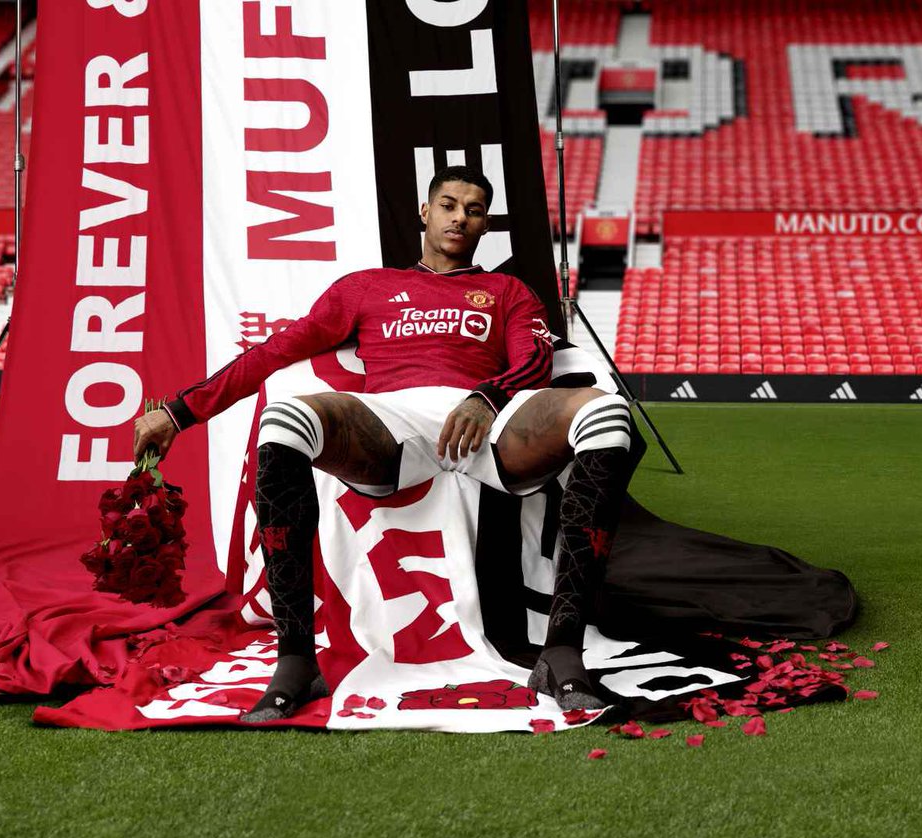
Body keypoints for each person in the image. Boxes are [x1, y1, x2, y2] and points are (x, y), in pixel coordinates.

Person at [133, 165, 636, 721]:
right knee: (284, 421)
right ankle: (296, 661)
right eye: (448, 204)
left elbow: (534, 362)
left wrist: (486, 398)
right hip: (392, 420)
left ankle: (563, 651)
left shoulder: (505, 290)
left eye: (472, 210)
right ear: (425, 212)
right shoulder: (365, 287)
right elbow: (274, 352)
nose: (459, 217)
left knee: (608, 414)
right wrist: (180, 413)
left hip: (487, 419)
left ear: (485, 224)